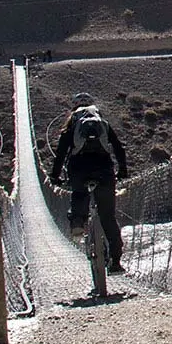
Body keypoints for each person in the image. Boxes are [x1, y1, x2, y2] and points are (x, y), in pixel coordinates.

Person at [49, 92, 129, 274]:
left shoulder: (73, 124)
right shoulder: (103, 124)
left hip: (79, 168)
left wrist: (55, 176)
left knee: (79, 193)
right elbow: (118, 148)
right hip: (104, 170)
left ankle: (78, 221)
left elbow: (61, 153)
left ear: (74, 109)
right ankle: (116, 262)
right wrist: (122, 171)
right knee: (108, 216)